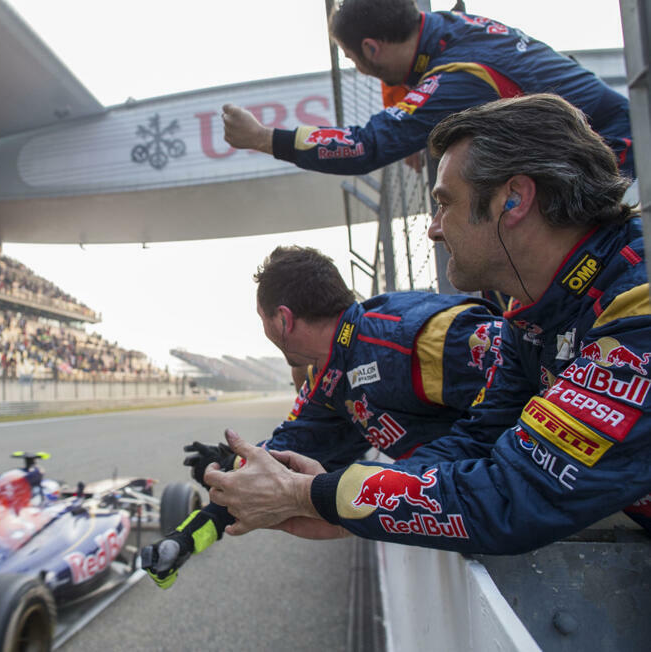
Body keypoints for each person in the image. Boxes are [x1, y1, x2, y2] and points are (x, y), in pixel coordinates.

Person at [203, 93, 650, 554]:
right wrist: (336, 508)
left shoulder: (638, 301)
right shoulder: (531, 313)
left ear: (513, 199)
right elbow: (477, 441)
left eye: (445, 203)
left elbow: (515, 493)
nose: (434, 228)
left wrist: (309, 496)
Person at [140, 245, 505, 587]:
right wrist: (187, 536)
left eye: (261, 319)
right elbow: (276, 470)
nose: (264, 330)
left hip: (515, 517)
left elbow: (528, 392)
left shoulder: (414, 336)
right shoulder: (331, 381)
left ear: (283, 320)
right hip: (474, 518)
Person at [222, 0, 634, 179]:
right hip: (600, 141)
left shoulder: (456, 73)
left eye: (352, 59)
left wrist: (262, 138)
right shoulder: (448, 28)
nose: (360, 70)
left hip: (618, 155)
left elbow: (368, 145)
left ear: (371, 47)